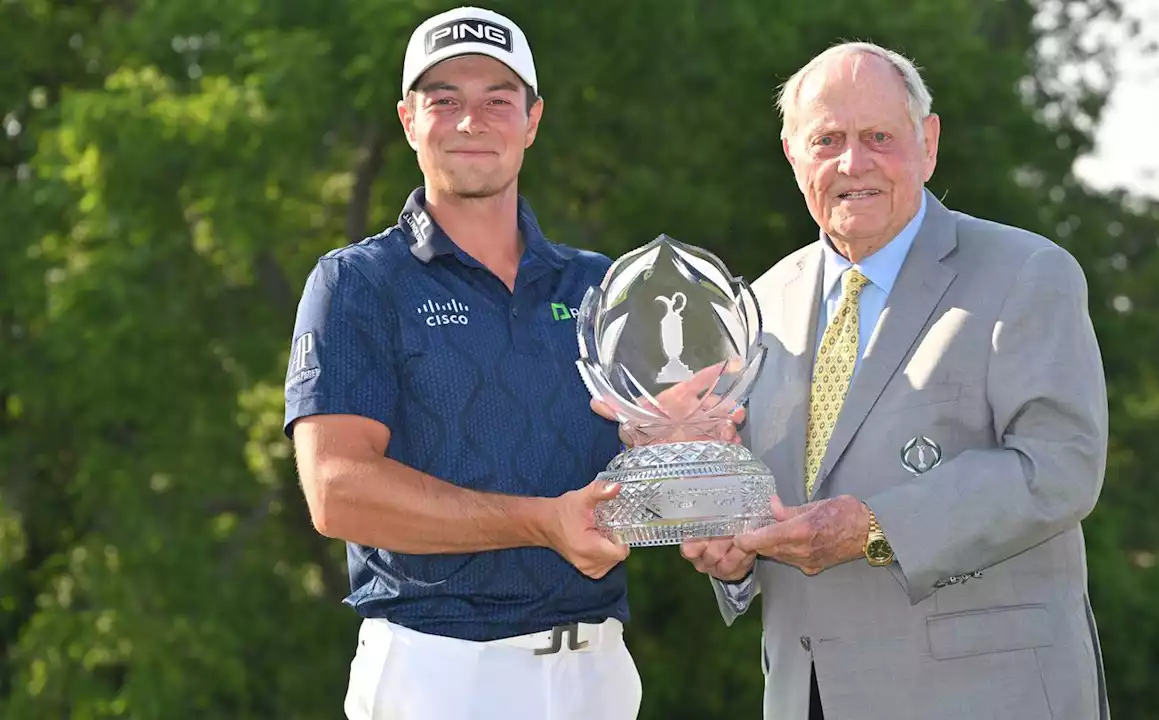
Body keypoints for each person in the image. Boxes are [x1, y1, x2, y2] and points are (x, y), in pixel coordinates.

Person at [677, 41, 1111, 719]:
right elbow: (762, 501)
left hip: (987, 698)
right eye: (828, 140)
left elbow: (1059, 467)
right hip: (807, 695)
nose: (854, 163)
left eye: (879, 136)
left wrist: (873, 526)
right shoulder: (755, 309)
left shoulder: (1027, 272)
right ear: (793, 156)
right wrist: (730, 555)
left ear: (928, 143)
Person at [282, 7, 642, 719]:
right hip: (437, 672)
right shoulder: (357, 283)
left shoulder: (601, 285)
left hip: (597, 673)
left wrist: (691, 449)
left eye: (497, 101)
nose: (470, 121)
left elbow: (643, 455)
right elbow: (337, 490)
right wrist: (545, 521)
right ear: (408, 120)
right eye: (443, 100)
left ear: (532, 120)